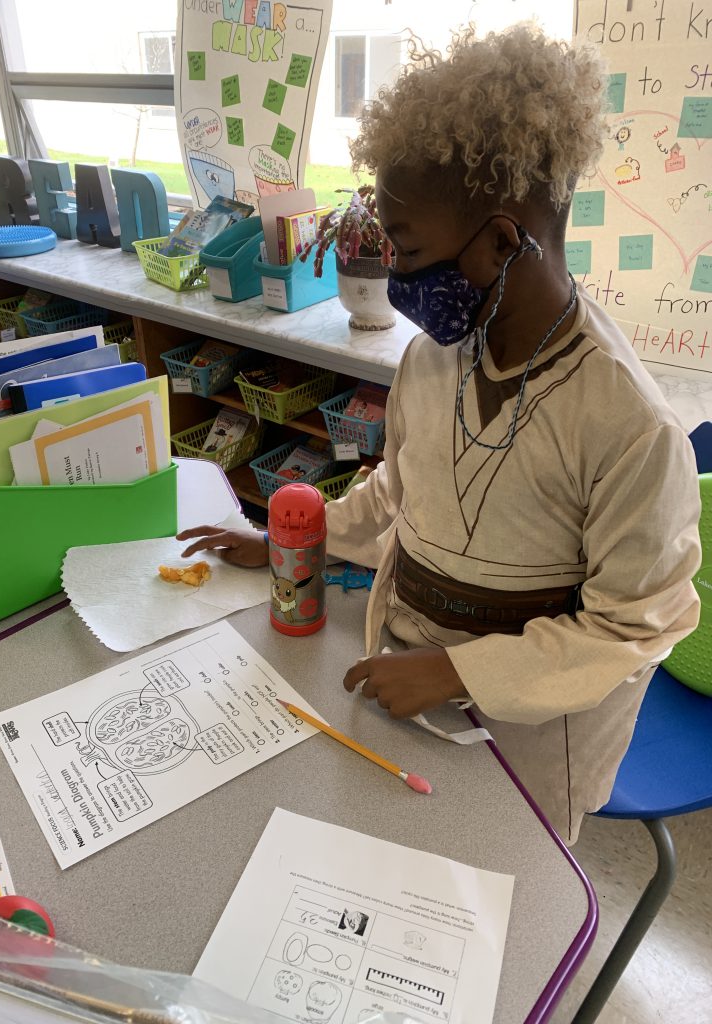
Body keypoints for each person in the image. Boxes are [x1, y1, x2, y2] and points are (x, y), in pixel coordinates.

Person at [177, 25, 702, 843]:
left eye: (410, 249)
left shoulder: (631, 427)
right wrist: (289, 539)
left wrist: (457, 671)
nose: (394, 271)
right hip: (406, 659)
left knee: (496, 874)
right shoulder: (432, 358)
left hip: (531, 726)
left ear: (500, 241)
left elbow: (631, 628)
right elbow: (399, 488)